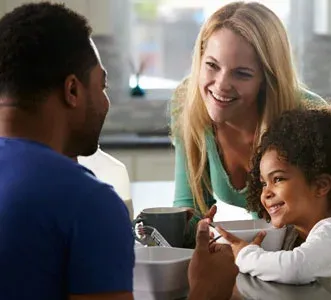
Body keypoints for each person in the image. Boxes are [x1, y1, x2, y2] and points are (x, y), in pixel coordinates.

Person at [0, 3, 238, 300]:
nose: (105, 103)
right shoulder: (88, 203)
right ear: (72, 91)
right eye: (102, 86)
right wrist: (207, 290)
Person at [171, 2, 331, 298]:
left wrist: (248, 256)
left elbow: (317, 238)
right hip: (295, 252)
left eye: (242, 74)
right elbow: (189, 210)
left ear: (266, 78)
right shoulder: (188, 104)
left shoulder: (305, 114)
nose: (221, 84)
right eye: (212, 65)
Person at [216, 104, 331, 300]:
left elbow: (294, 268)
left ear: (320, 185)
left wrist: (245, 254)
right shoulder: (293, 233)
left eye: (277, 179)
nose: (266, 193)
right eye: (263, 183)